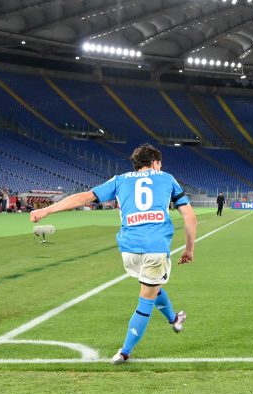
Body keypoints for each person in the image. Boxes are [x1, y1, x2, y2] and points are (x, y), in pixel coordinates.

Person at [30, 143, 197, 364]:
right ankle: (125, 352)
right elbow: (190, 217)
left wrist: (47, 209)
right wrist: (189, 248)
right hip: (155, 247)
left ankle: (174, 319)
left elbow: (84, 197)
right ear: (155, 163)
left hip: (128, 250)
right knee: (146, 298)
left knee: (152, 286)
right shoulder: (167, 178)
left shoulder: (119, 180)